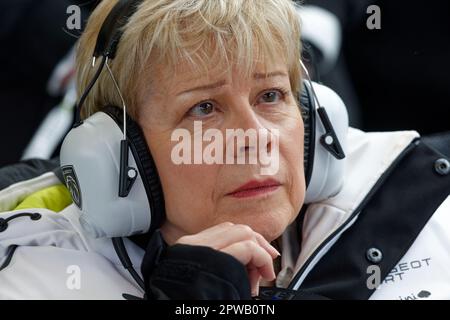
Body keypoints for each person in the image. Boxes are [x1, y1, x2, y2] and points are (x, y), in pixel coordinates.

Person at [0, 0, 449, 300]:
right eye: (204, 108)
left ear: (316, 116)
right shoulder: (35, 277)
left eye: (270, 96)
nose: (255, 137)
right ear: (119, 154)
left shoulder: (427, 207)